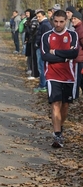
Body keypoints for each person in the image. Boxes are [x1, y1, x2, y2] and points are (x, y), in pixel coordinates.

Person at [41, 9, 79, 148]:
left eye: (61, 22)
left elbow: (74, 53)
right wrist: (64, 56)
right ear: (52, 21)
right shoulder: (46, 36)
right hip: (52, 75)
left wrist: (56, 52)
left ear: (66, 21)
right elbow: (45, 56)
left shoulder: (72, 35)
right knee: (55, 103)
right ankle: (57, 135)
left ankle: (60, 128)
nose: (58, 24)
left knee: (65, 105)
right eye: (55, 21)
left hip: (69, 75)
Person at [33, 9, 52, 93]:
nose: (38, 18)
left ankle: (43, 85)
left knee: (41, 67)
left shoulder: (45, 25)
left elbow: (46, 38)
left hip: (42, 49)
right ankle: (43, 84)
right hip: (40, 48)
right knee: (41, 67)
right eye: (37, 17)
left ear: (44, 16)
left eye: (39, 16)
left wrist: (40, 45)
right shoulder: (43, 24)